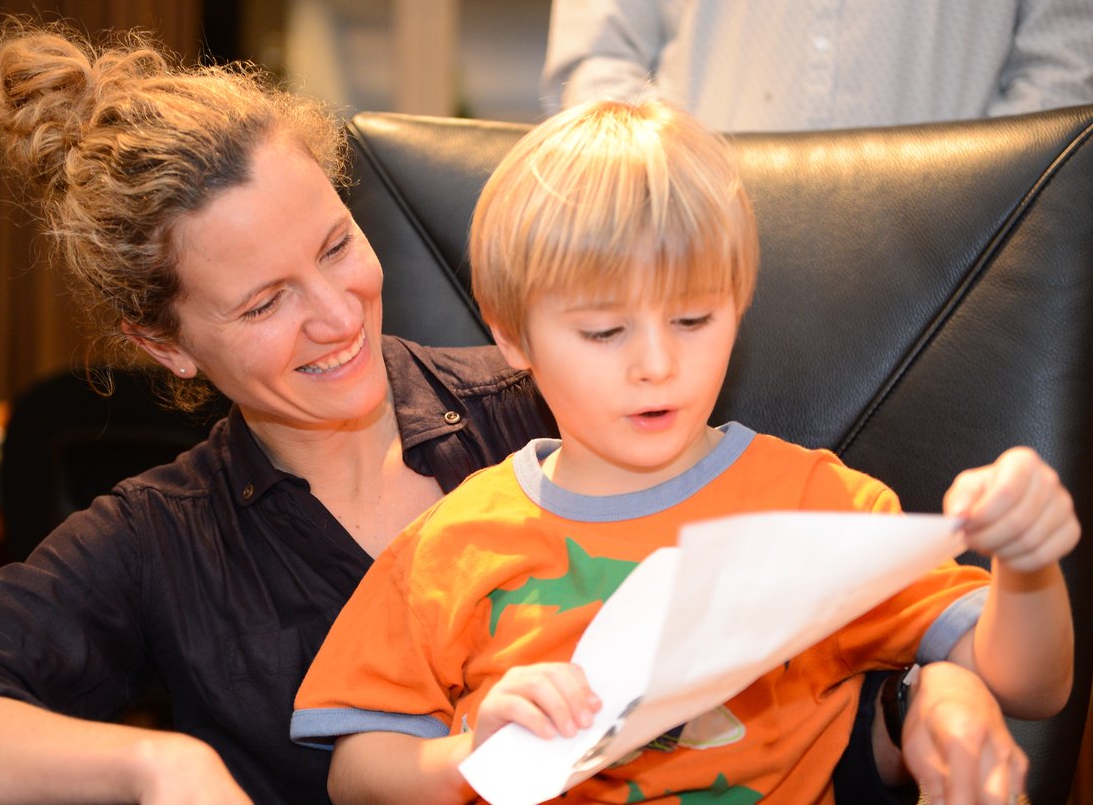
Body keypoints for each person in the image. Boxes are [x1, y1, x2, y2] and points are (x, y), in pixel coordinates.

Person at [0, 22, 1061, 804]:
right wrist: (159, 765)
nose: (337, 315)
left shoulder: (564, 396)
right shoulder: (165, 540)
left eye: (336, 244)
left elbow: (821, 597)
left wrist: (941, 688)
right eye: (266, 300)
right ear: (165, 342)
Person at [290, 99, 1078, 802]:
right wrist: (468, 754)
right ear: (509, 334)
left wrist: (1029, 564)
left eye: (695, 321)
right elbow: (357, 775)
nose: (657, 365)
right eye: (604, 332)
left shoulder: (812, 506)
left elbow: (1028, 683)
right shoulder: (449, 544)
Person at [540, 0, 1093, 130]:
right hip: (684, 272)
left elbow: (1063, 69)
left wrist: (978, 221)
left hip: (959, 284)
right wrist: (674, 212)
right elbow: (598, 65)